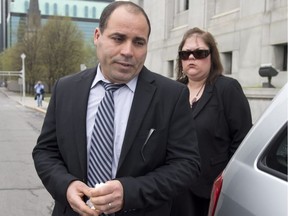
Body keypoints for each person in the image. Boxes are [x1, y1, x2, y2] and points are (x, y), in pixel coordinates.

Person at [32, 2, 201, 216]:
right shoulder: (65, 89)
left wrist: (129, 192)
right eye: (118, 38)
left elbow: (186, 165)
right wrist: (66, 186)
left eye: (139, 42)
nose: (128, 51)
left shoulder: (171, 95)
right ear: (97, 36)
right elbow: (45, 152)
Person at [170, 27, 252, 216]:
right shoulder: (173, 91)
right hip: (176, 188)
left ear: (211, 56)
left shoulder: (227, 89)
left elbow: (242, 141)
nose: (191, 57)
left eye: (199, 53)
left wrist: (225, 183)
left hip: (209, 191)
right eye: (185, 53)